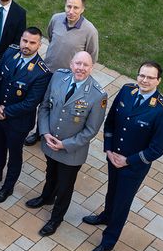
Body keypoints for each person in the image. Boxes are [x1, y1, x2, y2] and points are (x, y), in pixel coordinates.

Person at [83, 61, 163, 251]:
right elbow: (112, 121)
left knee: (122, 202)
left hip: (133, 166)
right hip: (114, 157)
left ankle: (108, 241)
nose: (144, 80)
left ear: (158, 80)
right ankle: (106, 215)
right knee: (112, 190)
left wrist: (128, 161)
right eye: (142, 75)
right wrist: (108, 149)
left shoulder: (162, 111)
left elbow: (156, 149)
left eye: (150, 77)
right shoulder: (127, 91)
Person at [25, 51, 107, 237]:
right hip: (50, 142)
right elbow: (45, 106)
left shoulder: (97, 95)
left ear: (91, 67)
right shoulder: (58, 77)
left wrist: (64, 145)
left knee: (64, 186)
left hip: (71, 152)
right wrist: (44, 132)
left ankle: (56, 219)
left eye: (85, 65)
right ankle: (46, 197)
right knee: (50, 173)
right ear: (71, 64)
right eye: (77, 63)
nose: (80, 68)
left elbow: (91, 130)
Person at [0, 27, 51, 204]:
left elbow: (31, 103)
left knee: (14, 155)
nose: (27, 45)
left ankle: (8, 188)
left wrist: (5, 112)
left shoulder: (42, 72)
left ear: (39, 45)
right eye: (25, 41)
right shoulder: (10, 52)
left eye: (32, 43)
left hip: (18, 123)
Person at [26, 0, 100, 146]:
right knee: (43, 103)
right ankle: (40, 132)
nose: (71, 11)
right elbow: (51, 37)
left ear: (83, 9)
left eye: (75, 8)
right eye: (68, 6)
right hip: (48, 72)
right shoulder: (56, 19)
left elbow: (91, 56)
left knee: (59, 107)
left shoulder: (90, 31)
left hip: (68, 78)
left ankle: (57, 136)